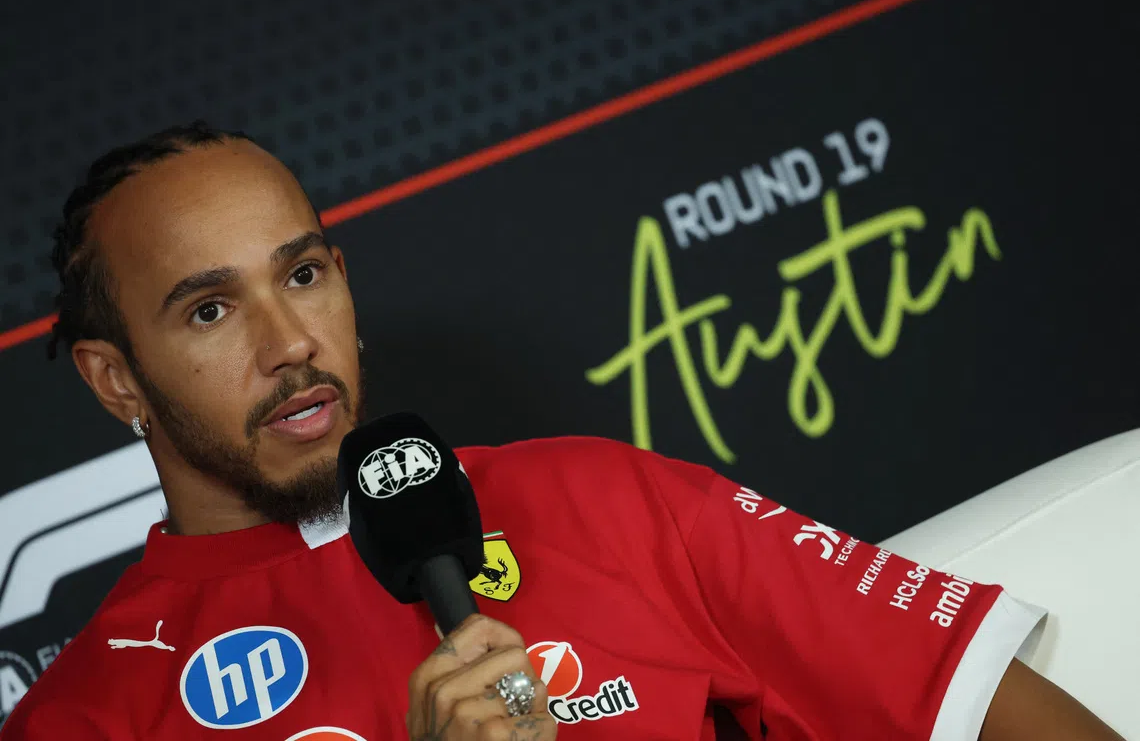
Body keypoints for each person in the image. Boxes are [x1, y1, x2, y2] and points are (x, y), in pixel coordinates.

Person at [0, 122, 1122, 741]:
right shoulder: (83, 720)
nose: (290, 340)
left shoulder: (603, 499)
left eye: (301, 276)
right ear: (116, 380)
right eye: (210, 310)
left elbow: (998, 716)